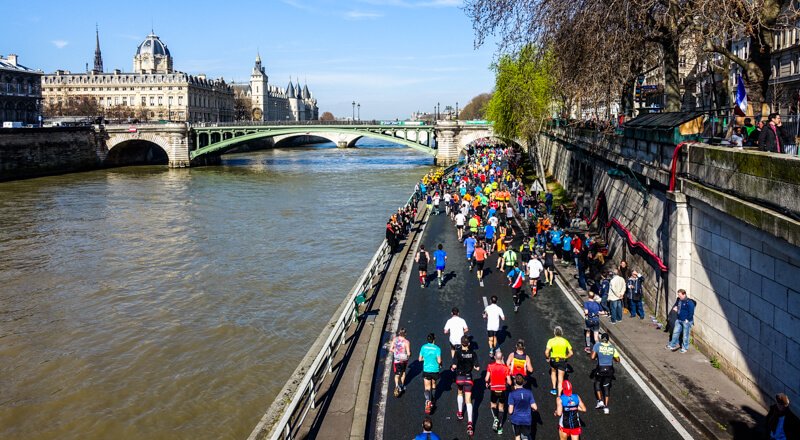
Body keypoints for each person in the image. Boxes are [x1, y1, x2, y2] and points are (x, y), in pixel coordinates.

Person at [451, 335, 480, 436]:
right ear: (469, 344)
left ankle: (460, 413)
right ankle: (470, 423)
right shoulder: (473, 353)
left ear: (461, 343)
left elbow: (454, 366)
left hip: (459, 378)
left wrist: (452, 368)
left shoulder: (457, 352)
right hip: (468, 378)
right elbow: (477, 368)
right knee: (468, 400)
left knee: (459, 392)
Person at [591, 333, 619, 414]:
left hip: (600, 369)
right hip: (609, 369)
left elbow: (592, 357)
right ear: (608, 340)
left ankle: (600, 401)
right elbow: (618, 360)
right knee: (606, 387)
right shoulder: (612, 348)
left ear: (601, 339)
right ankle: (606, 408)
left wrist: (598, 356)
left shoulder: (597, 345)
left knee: (597, 383)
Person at [485, 350, 512, 434]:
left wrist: (488, 382)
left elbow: (486, 378)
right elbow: (510, 382)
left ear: (494, 357)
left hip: (493, 389)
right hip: (502, 390)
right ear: (502, 358)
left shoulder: (490, 366)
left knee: (493, 405)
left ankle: (495, 418)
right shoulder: (505, 368)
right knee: (501, 408)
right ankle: (500, 428)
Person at [508, 374, 538, 440]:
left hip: (516, 419)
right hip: (526, 419)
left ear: (515, 381)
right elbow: (535, 407)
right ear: (523, 382)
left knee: (517, 436)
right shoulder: (529, 392)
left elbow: (510, 411)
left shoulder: (512, 394)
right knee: (525, 436)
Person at [545, 326, 573, 396]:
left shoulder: (551, 341)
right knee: (560, 379)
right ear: (562, 333)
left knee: (553, 372)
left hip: (553, 360)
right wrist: (566, 357)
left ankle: (554, 389)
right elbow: (571, 353)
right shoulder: (565, 341)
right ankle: (559, 395)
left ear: (554, 333)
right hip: (562, 361)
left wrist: (548, 357)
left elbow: (546, 352)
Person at [419, 333, 442, 415]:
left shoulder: (423, 347)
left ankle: (428, 401)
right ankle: (433, 399)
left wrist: (426, 358)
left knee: (427, 387)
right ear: (434, 339)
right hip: (435, 369)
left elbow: (420, 359)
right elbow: (439, 361)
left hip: (426, 369)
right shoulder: (437, 349)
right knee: (433, 385)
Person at [390, 328, 411, 397]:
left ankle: (396, 385)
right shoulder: (406, 342)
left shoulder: (395, 339)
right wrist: (409, 354)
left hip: (396, 359)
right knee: (403, 372)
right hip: (404, 360)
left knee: (396, 374)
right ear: (405, 334)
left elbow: (391, 349)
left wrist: (396, 352)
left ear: (399, 333)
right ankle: (402, 385)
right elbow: (408, 353)